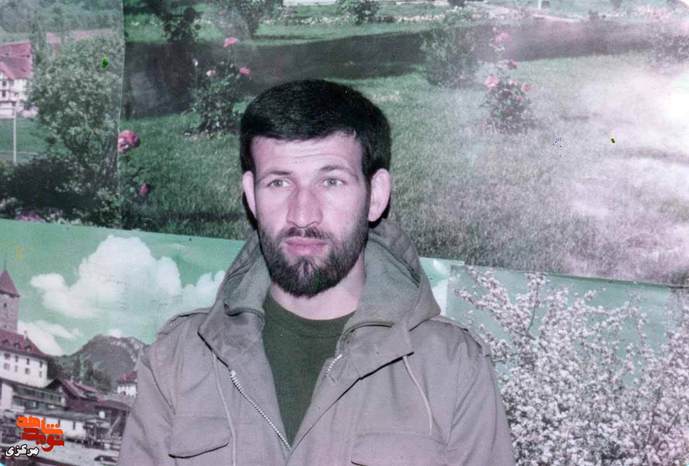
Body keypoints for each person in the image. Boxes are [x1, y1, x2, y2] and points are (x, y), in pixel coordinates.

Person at [119, 79, 515, 465]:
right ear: (251, 196)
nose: (303, 214)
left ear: (376, 196)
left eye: (331, 181)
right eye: (279, 182)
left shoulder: (452, 368)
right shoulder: (178, 358)